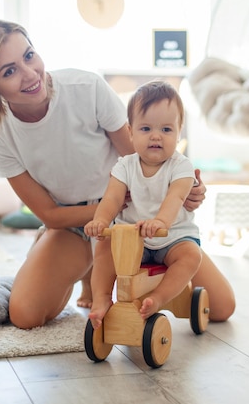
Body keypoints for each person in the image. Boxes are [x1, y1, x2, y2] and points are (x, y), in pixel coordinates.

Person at [0, 19, 235, 329]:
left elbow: (144, 160)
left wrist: (181, 192)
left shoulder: (86, 88)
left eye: (29, 56)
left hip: (136, 217)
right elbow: (49, 213)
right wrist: (103, 218)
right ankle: (81, 265)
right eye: (8, 71)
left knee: (221, 306)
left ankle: (93, 270)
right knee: (25, 315)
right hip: (76, 225)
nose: (30, 74)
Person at [84, 80, 201, 328]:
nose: (156, 136)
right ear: (131, 131)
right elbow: (113, 198)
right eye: (146, 128)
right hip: (132, 239)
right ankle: (102, 299)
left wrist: (160, 222)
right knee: (103, 247)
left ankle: (157, 298)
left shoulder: (181, 166)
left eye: (167, 130)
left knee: (191, 256)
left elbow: (175, 198)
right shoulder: (125, 165)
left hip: (172, 238)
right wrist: (101, 220)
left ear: (179, 131)